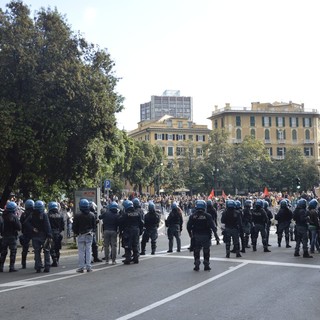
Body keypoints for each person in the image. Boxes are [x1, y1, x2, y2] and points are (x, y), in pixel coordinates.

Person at [187, 200, 216, 271]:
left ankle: (197, 263)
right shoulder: (207, 216)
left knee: (196, 250)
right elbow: (213, 226)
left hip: (196, 235)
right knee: (206, 250)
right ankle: (206, 265)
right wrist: (215, 233)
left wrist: (190, 234)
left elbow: (188, 226)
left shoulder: (193, 216)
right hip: (206, 235)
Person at [25, 200, 53, 273]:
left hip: (35, 235)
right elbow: (47, 226)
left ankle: (38, 266)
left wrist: (32, 228)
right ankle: (47, 266)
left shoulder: (32, 215)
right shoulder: (44, 215)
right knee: (46, 251)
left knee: (37, 252)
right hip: (43, 235)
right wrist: (49, 235)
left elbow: (26, 223)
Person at [73, 199, 97, 272]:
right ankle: (89, 267)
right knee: (88, 251)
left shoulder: (77, 215)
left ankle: (81, 267)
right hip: (89, 234)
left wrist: (76, 232)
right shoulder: (92, 215)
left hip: (80, 234)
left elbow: (74, 226)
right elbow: (94, 226)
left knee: (81, 251)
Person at [119, 200, 144, 264]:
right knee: (135, 244)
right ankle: (136, 258)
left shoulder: (125, 214)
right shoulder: (137, 213)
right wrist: (140, 230)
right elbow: (141, 223)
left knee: (127, 244)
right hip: (136, 230)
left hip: (128, 231)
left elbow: (121, 223)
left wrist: (120, 231)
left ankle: (128, 258)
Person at [0, 201, 21, 272]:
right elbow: (19, 227)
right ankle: (11, 267)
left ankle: (1, 266)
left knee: (3, 252)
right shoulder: (14, 217)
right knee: (13, 252)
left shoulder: (2, 216)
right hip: (12, 236)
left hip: (4, 236)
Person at [47, 201, 64, 266]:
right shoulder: (60, 215)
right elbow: (62, 226)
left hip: (51, 233)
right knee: (57, 247)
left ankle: (54, 260)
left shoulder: (48, 215)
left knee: (51, 247)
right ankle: (57, 260)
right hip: (58, 233)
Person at [19, 199, 34, 269]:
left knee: (24, 249)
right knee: (37, 248)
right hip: (34, 232)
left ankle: (23, 263)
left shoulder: (23, 214)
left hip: (26, 232)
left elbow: (21, 223)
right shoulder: (35, 213)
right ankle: (38, 262)